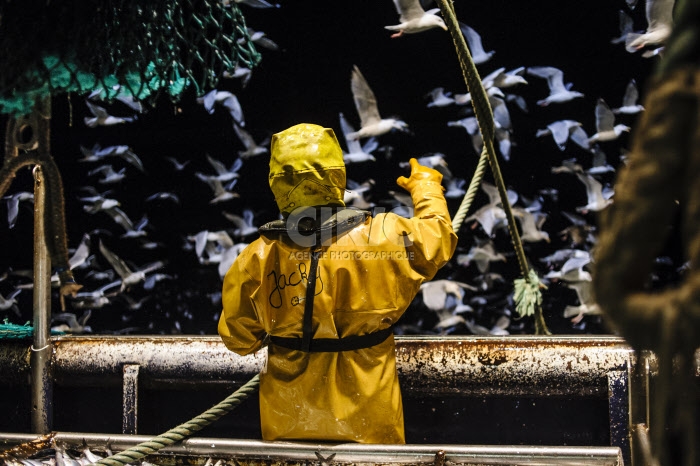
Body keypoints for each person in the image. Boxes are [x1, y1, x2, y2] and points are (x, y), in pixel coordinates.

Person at [218, 123, 457, 443]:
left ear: (276, 182)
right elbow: (437, 239)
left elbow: (238, 340)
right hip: (370, 428)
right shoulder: (383, 235)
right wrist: (425, 186)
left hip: (289, 430)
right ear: (337, 176)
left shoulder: (255, 258)